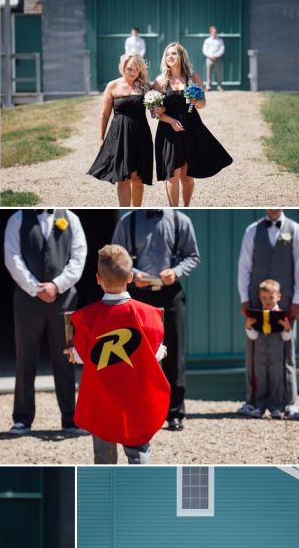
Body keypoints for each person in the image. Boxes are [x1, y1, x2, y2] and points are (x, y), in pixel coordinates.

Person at [68, 243, 168, 463]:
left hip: (102, 396)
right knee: (138, 449)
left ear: (98, 279)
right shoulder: (149, 315)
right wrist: (161, 351)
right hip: (135, 396)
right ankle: (143, 488)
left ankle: (106, 489)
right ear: (130, 277)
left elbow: (81, 356)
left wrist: (72, 353)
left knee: (103, 450)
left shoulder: (86, 317)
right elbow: (155, 353)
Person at [111, 208, 200, 431]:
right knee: (137, 354)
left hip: (171, 295)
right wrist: (132, 275)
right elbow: (115, 259)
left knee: (174, 354)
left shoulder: (181, 221)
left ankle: (174, 413)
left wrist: (177, 271)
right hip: (139, 295)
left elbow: (193, 256)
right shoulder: (127, 222)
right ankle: (138, 410)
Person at [4, 208, 87, 436]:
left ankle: (71, 419)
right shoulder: (17, 219)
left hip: (64, 300)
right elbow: (12, 257)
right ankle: (22, 419)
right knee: (25, 358)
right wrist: (35, 287)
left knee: (66, 358)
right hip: (27, 300)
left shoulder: (71, 218)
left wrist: (57, 285)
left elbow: (78, 257)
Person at [237, 210, 299, 421]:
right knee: (255, 350)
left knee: (285, 351)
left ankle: (287, 402)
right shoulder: (252, 231)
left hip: (284, 301)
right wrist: (244, 296)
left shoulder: (296, 230)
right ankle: (253, 402)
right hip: (256, 301)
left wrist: (297, 300)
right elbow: (244, 266)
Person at [150, 43, 232, 206]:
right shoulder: (160, 82)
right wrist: (171, 121)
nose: (170, 57)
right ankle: (173, 209)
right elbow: (154, 113)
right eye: (167, 54)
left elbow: (202, 105)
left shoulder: (193, 77)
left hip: (191, 129)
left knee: (187, 178)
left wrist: (197, 101)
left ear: (181, 56)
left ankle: (186, 207)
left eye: (174, 54)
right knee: (172, 175)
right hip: (169, 131)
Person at [88, 54, 153, 207]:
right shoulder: (112, 86)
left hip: (140, 134)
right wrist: (100, 138)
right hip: (119, 135)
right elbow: (104, 114)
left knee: (137, 178)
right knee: (123, 178)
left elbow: (154, 111)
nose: (132, 72)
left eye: (136, 70)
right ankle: (125, 209)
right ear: (123, 67)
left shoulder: (144, 86)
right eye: (130, 68)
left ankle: (136, 210)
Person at [241, 278, 293, 418]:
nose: (268, 301)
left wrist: (287, 328)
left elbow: (286, 338)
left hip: (276, 355)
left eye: (271, 297)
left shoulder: (282, 315)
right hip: (260, 354)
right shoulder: (257, 315)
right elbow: (253, 336)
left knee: (276, 381)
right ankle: (259, 407)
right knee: (261, 382)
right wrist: (248, 326)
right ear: (260, 298)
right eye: (264, 298)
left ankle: (275, 407)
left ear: (278, 297)